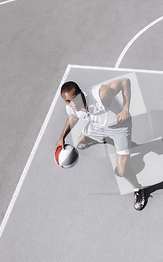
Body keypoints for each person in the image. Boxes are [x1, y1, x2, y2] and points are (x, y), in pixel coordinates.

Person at [53, 78, 145, 211]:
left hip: (120, 127)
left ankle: (138, 189)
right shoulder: (72, 107)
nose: (72, 103)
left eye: (74, 98)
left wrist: (125, 109)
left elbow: (125, 82)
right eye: (68, 101)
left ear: (81, 93)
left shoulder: (100, 95)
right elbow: (73, 117)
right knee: (81, 140)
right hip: (99, 125)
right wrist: (62, 137)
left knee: (122, 170)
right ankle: (105, 139)